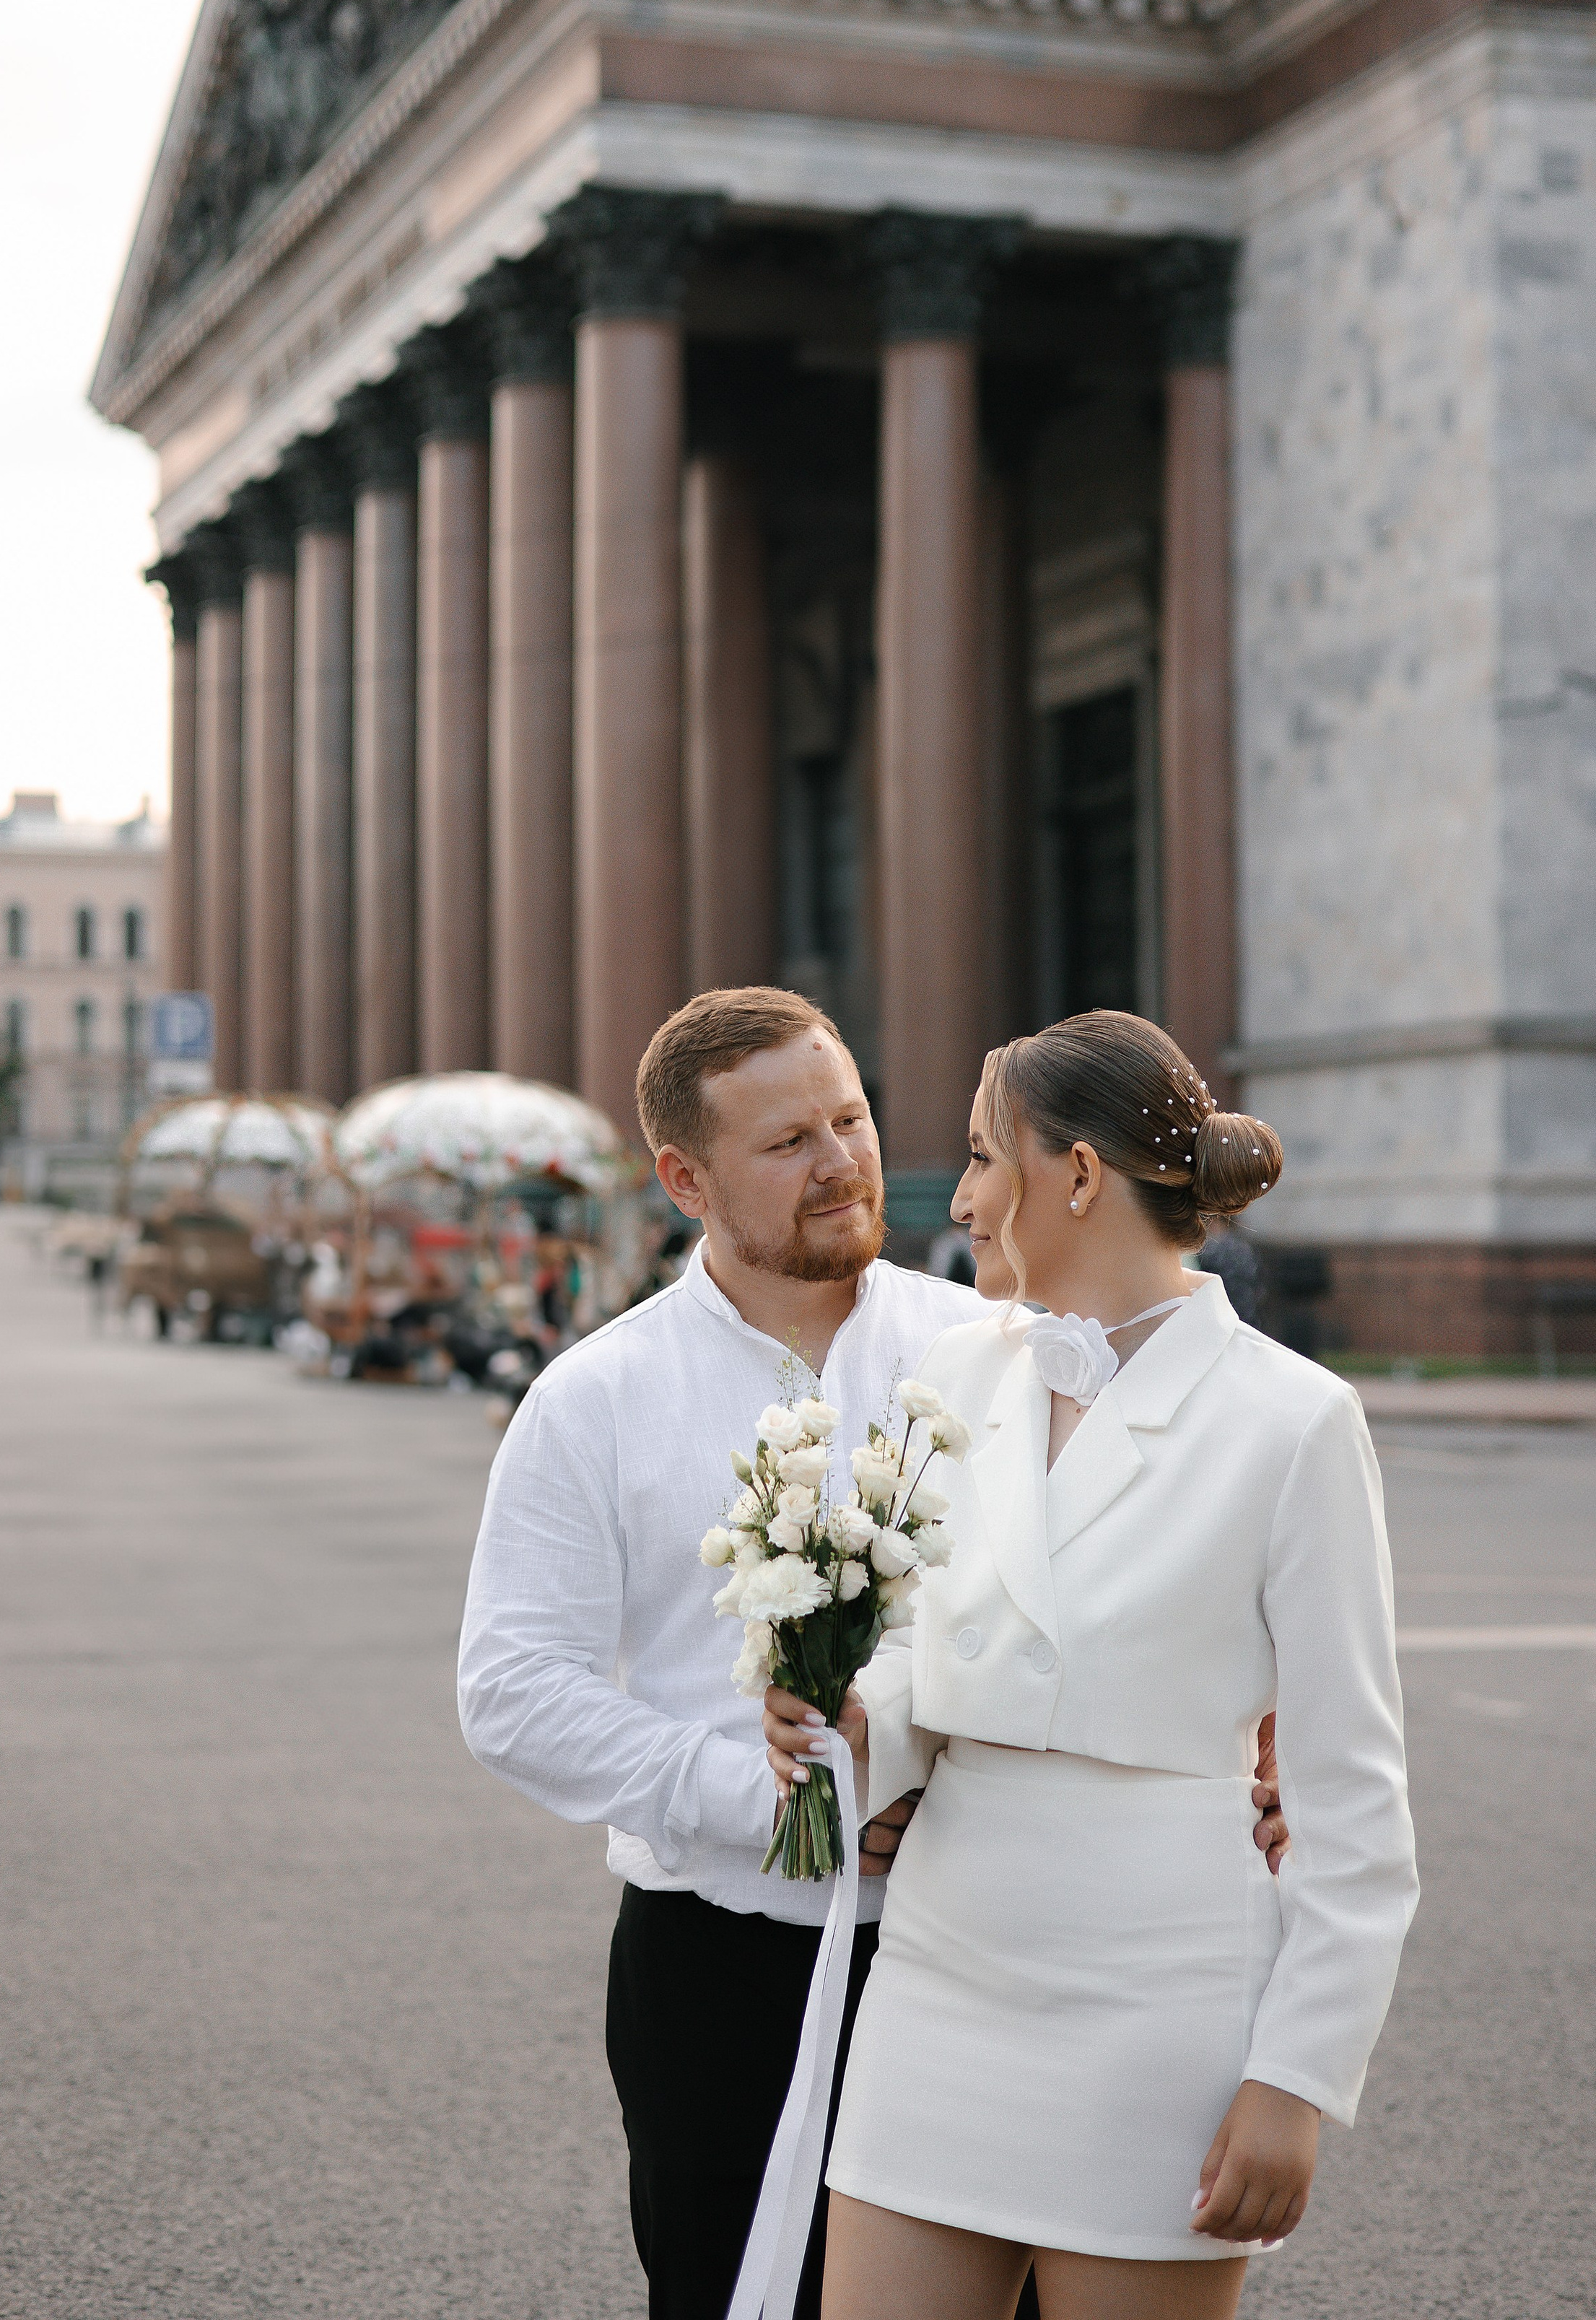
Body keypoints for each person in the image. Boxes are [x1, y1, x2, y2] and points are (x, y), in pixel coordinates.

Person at [458, 989, 1289, 2320]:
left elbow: (1159, 1571)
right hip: (723, 1969)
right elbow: (512, 1692)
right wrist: (771, 1801)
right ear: (686, 1178)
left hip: (987, 1948)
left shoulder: (998, 1349)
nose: (843, 1160)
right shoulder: (595, 1399)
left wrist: (1257, 1738)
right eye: (788, 1142)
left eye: (848, 1116)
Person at [766, 1010, 1417, 2320]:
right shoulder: (957, 1370)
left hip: (1158, 2004)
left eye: (982, 1159)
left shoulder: (1293, 1422)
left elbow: (1355, 1799)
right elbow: (931, 1658)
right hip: (944, 1978)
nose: (957, 1199)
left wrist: (1295, 2082)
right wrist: (847, 1720)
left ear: (1075, 1176)